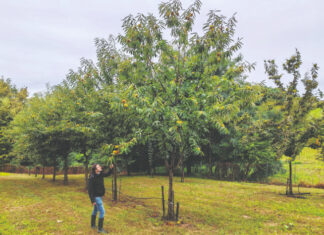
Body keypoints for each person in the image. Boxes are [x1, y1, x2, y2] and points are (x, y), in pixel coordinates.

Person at [88, 163, 114, 234]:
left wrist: (111, 168)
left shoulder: (100, 174)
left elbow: (107, 174)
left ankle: (93, 225)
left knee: (95, 210)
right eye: (98, 167)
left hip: (100, 196)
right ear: (95, 170)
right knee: (102, 212)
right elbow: (90, 190)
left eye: (99, 166)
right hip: (96, 197)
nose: (100, 167)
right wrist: (92, 200)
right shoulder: (92, 177)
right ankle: (100, 229)